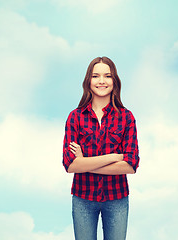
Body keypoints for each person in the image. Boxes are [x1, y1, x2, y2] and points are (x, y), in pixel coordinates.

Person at [62, 56, 140, 240]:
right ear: (88, 81)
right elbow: (70, 165)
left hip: (117, 198)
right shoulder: (75, 117)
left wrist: (84, 162)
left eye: (108, 76)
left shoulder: (126, 117)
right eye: (96, 76)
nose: (102, 81)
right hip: (83, 198)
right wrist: (114, 156)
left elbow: (130, 166)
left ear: (115, 81)